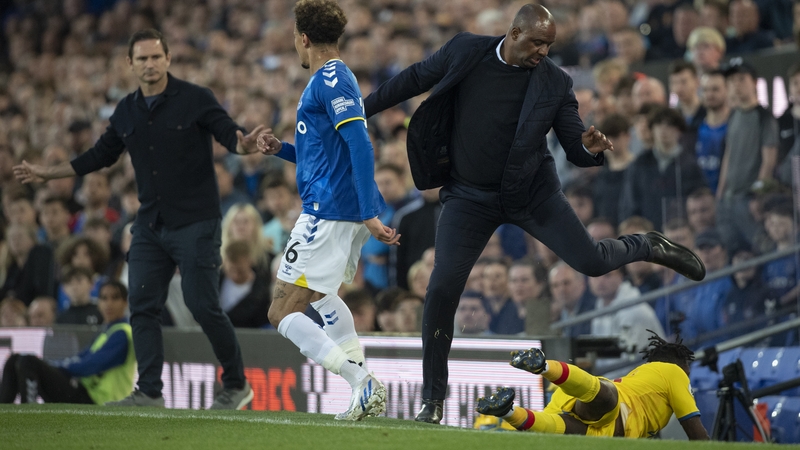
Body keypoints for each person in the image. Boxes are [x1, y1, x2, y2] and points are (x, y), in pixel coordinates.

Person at [363, 3, 706, 423]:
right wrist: (360, 110)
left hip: (531, 194)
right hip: (469, 197)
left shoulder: (555, 83)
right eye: (536, 42)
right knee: (440, 290)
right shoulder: (465, 51)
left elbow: (574, 146)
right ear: (513, 32)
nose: (543, 51)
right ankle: (433, 399)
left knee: (592, 262)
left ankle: (647, 244)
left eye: (549, 44)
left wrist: (589, 149)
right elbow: (414, 77)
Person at [12, 28, 261, 409]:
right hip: (149, 224)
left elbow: (230, 135)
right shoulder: (126, 110)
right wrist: (48, 174)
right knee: (141, 306)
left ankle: (237, 382)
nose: (150, 64)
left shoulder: (196, 98)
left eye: (156, 57)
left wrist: (243, 145)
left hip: (196, 221)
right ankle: (149, 391)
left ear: (168, 59)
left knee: (201, 304)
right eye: (142, 58)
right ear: (130, 64)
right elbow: (98, 155)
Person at [255, 0, 397, 421]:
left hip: (328, 212)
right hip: (338, 207)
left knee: (281, 311)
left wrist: (370, 211)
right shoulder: (332, 78)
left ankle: (361, 382)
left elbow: (359, 144)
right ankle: (365, 390)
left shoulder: (330, 79)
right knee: (321, 296)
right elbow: (327, 157)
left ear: (303, 38)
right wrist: (281, 150)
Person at [476, 332, 709, 439]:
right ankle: (543, 366)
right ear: (681, 364)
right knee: (606, 400)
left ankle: (508, 411)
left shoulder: (644, 376)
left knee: (561, 433)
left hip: (581, 406)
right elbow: (695, 432)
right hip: (614, 408)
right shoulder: (674, 372)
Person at [0, 281, 136, 405]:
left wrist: (58, 367)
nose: (108, 303)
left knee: (28, 362)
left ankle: (27, 416)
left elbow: (91, 365)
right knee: (14, 360)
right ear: (98, 302)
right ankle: (4, 413)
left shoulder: (122, 333)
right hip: (85, 393)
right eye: (104, 298)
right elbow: (82, 358)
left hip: (98, 400)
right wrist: (54, 367)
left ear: (125, 302)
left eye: (115, 298)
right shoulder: (107, 331)